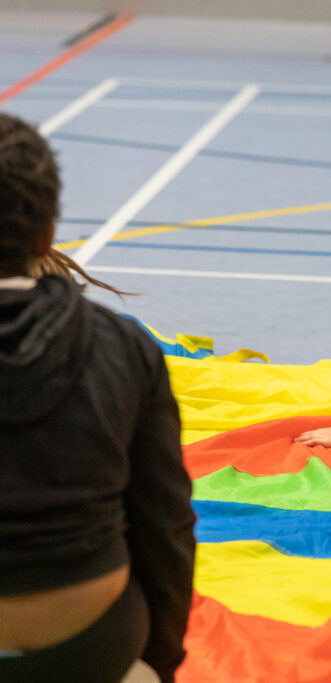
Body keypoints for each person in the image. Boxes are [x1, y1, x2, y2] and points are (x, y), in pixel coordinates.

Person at [0, 113, 195, 682]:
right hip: (90, 645)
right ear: (47, 232)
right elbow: (165, 523)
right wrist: (158, 663)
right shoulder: (121, 345)